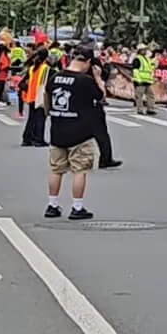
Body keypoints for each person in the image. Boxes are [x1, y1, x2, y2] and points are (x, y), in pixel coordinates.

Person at [44, 47, 108, 223]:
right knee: (80, 170)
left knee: (56, 170)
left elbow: (46, 98)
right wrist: (97, 77)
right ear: (87, 62)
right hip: (80, 132)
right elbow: (102, 96)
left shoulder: (55, 77)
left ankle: (52, 204)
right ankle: (77, 207)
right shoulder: (84, 81)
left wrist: (52, 114)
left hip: (58, 129)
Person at [130, 46, 157, 116]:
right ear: (140, 50)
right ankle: (140, 109)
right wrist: (138, 80)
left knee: (151, 95)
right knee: (139, 96)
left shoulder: (147, 59)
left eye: (145, 50)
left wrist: (154, 64)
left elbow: (150, 69)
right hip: (140, 81)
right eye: (143, 50)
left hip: (147, 80)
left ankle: (150, 109)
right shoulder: (137, 59)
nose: (145, 51)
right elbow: (135, 70)